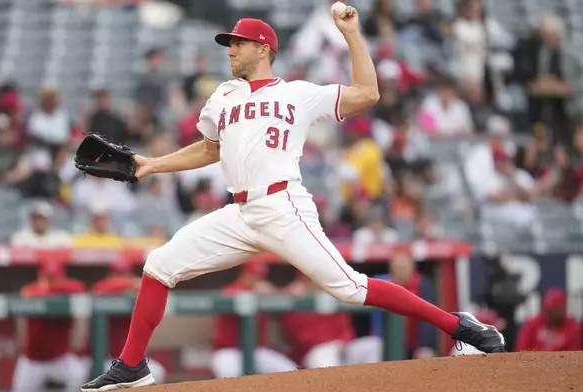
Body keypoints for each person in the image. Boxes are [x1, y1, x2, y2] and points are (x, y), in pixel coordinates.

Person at [81, 7, 505, 391]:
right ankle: (133, 366)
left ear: (262, 49)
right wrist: (149, 164)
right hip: (241, 212)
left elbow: (368, 94)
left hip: (284, 207)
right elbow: (210, 150)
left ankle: (460, 325)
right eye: (229, 43)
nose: (230, 50)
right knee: (159, 266)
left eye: (238, 43)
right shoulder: (223, 97)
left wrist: (352, 34)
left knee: (352, 289)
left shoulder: (298, 93)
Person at [211, 262, 297, 378]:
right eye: (254, 276)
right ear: (244, 274)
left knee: (293, 372)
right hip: (229, 352)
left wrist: (284, 292)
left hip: (258, 352)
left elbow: (280, 295)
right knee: (231, 379)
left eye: (261, 276)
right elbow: (229, 296)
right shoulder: (232, 289)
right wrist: (252, 293)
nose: (257, 280)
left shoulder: (264, 292)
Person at [280, 271, 383, 368]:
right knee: (325, 361)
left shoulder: (336, 290)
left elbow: (346, 328)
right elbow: (297, 339)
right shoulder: (297, 295)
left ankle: (367, 384)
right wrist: (288, 295)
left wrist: (344, 343)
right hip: (317, 351)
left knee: (375, 345)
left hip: (343, 348)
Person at [12, 262, 88, 392]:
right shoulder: (31, 291)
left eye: (55, 278)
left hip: (60, 359)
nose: (52, 282)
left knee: (79, 374)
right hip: (33, 360)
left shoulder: (71, 291)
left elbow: (80, 289)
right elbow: (28, 293)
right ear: (40, 277)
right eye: (48, 278)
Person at [91, 258, 167, 383]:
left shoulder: (137, 294)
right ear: (111, 276)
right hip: (106, 359)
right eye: (118, 275)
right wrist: (130, 283)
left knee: (158, 372)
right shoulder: (104, 290)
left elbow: (151, 289)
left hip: (132, 362)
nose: (122, 278)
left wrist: (135, 285)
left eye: (125, 275)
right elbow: (100, 288)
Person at [516, 288, 581, 352]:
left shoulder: (573, 328)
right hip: (534, 361)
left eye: (554, 310)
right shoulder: (532, 325)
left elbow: (574, 357)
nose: (550, 314)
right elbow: (521, 350)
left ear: (562, 309)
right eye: (548, 310)